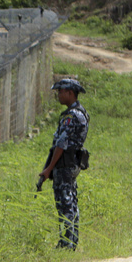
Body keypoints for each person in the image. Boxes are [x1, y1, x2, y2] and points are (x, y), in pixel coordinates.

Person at [38, 78, 90, 250]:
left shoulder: (71, 115)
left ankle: (67, 243)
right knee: (71, 202)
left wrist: (48, 169)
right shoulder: (80, 113)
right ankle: (71, 240)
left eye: (61, 92)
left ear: (70, 93)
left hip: (65, 164)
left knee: (65, 203)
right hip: (72, 163)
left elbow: (61, 144)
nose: (59, 95)